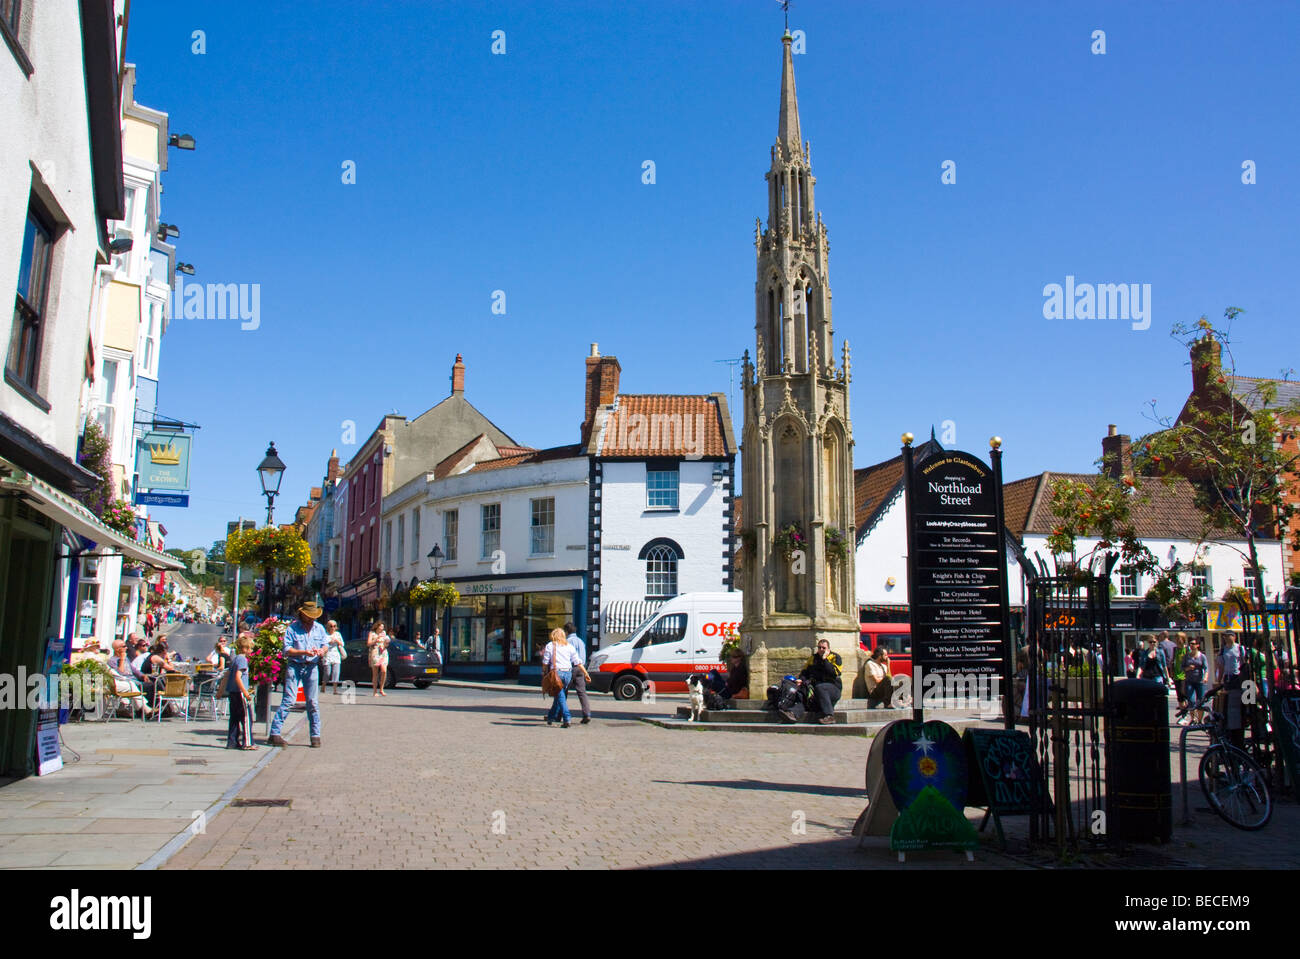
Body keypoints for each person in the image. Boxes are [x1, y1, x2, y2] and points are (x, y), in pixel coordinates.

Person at [267, 602, 328, 748]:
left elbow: (325, 644)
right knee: (289, 699)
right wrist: (304, 652)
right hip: (295, 665)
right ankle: (274, 733)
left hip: (312, 666)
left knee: (312, 702)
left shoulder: (319, 628)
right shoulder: (293, 628)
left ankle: (315, 736)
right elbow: (287, 650)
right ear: (303, 615)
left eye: (314, 617)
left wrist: (322, 651)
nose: (312, 619)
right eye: (309, 616)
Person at [541, 627, 589, 728]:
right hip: (568, 673)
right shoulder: (569, 646)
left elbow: (545, 662)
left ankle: (567, 718)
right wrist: (586, 673)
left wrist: (544, 671)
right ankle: (550, 717)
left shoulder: (550, 646)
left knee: (560, 696)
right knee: (559, 695)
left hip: (556, 673)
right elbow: (577, 661)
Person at [797, 639, 843, 724]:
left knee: (821, 687)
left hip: (833, 687)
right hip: (817, 687)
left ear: (828, 649)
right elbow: (805, 671)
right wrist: (801, 679)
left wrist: (825, 659)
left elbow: (834, 673)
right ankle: (791, 712)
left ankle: (829, 716)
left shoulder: (835, 657)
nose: (821, 650)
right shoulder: (813, 658)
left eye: (823, 648)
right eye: (819, 647)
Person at [225, 633, 256, 749]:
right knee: (247, 718)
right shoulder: (242, 660)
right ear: (244, 648)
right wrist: (246, 692)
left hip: (232, 692)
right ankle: (248, 743)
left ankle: (232, 742)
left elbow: (227, 675)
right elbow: (238, 677)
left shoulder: (234, 659)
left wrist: (221, 691)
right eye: (250, 648)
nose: (251, 651)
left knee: (234, 718)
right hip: (240, 693)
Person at [563, 621, 592, 724]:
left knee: (563, 692)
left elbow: (567, 657)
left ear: (566, 632)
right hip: (581, 667)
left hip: (570, 668)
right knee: (582, 692)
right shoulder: (580, 641)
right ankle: (586, 714)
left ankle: (558, 714)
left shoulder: (567, 642)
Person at [1181, 637, 1209, 725]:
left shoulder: (1202, 656)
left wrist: (1205, 677)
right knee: (1191, 700)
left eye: (1193, 644)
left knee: (1201, 701)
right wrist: (1188, 668)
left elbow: (1206, 668)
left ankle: (1200, 720)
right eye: (1190, 644)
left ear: (1197, 645)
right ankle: (1193, 719)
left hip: (1200, 681)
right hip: (1189, 681)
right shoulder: (1186, 656)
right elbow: (1182, 668)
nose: (1192, 645)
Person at [367, 621, 390, 696]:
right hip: (375, 652)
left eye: (383, 627)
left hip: (383, 653)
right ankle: (374, 691)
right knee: (375, 672)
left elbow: (387, 643)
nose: (382, 628)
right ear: (377, 626)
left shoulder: (384, 633)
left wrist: (386, 643)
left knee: (384, 670)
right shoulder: (372, 633)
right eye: (381, 626)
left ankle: (381, 689)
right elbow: (368, 643)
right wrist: (376, 639)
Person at [323, 620, 346, 693]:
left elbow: (342, 644)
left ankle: (335, 689)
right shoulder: (325, 635)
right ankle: (323, 686)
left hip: (336, 655)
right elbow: (322, 644)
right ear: (328, 626)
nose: (333, 628)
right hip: (327, 655)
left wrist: (337, 641)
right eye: (331, 626)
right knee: (327, 673)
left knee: (336, 673)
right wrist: (329, 642)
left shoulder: (338, 634)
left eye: (334, 626)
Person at [1171, 633, 1188, 707]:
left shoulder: (1187, 649)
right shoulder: (1175, 649)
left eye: (1179, 638)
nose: (1177, 640)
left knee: (1183, 693)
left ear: (1183, 639)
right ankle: (1183, 712)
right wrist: (1171, 672)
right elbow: (1172, 661)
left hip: (1184, 675)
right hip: (1176, 675)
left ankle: (1187, 708)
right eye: (1176, 638)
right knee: (1179, 696)